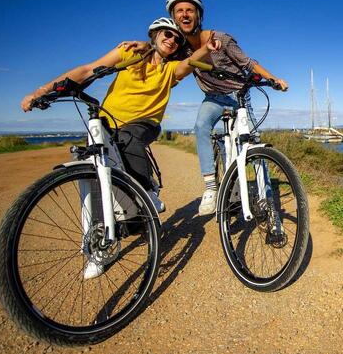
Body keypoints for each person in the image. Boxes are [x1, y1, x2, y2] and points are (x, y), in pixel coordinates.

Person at [21, 17, 219, 215]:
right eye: (168, 34)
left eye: (177, 39)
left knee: (128, 136)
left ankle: (147, 192)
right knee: (97, 163)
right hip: (108, 122)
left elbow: (190, 62)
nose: (172, 40)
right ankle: (109, 224)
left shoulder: (169, 70)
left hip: (144, 124)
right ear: (155, 35)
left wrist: (206, 48)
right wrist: (42, 91)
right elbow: (88, 70)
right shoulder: (129, 53)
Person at [127, 0, 288, 215]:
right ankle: (212, 188)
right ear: (174, 17)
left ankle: (265, 198)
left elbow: (249, 63)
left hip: (238, 96)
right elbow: (159, 52)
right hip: (212, 98)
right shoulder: (179, 48)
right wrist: (145, 46)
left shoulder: (221, 39)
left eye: (189, 10)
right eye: (179, 11)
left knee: (253, 144)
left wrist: (273, 79)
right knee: (201, 127)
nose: (185, 14)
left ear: (198, 15)